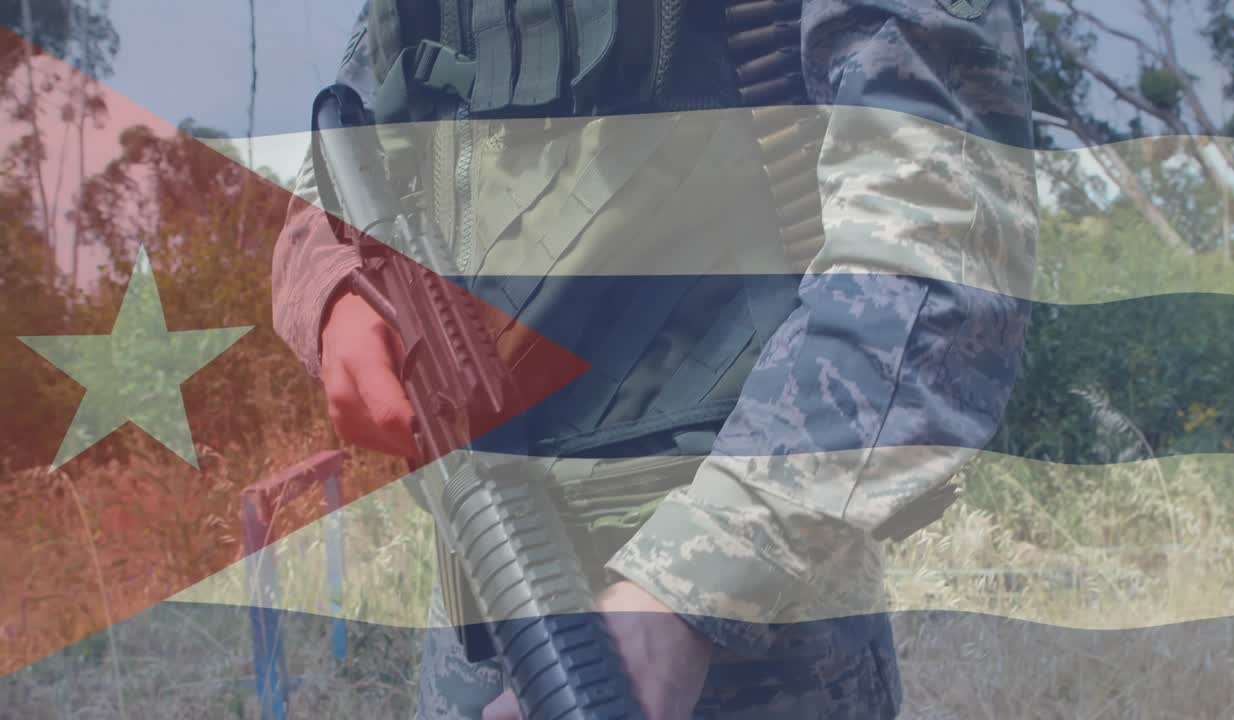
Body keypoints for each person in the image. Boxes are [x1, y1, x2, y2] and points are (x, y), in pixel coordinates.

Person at [272, 0, 1038, 717]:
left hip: (744, 640)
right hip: (480, 592)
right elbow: (348, 148)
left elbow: (934, 257)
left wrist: (691, 590)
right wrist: (329, 292)